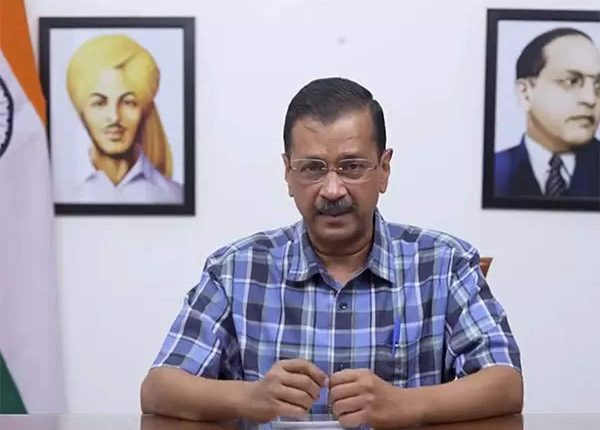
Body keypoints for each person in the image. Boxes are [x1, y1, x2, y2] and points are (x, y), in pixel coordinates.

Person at [141, 78, 522, 428]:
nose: (333, 189)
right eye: (313, 169)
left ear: (384, 169)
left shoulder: (444, 264)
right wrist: (250, 397)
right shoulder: (236, 269)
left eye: (352, 167)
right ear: (288, 173)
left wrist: (407, 404)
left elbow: (504, 384)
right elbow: (159, 389)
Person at [65, 34, 183, 204]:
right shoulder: (61, 193)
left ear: (144, 110)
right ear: (81, 112)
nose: (114, 117)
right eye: (99, 103)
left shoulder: (175, 196)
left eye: (128, 102)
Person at [495, 28, 600, 198]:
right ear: (525, 93)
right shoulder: (493, 171)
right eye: (571, 81)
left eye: (598, 85)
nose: (591, 99)